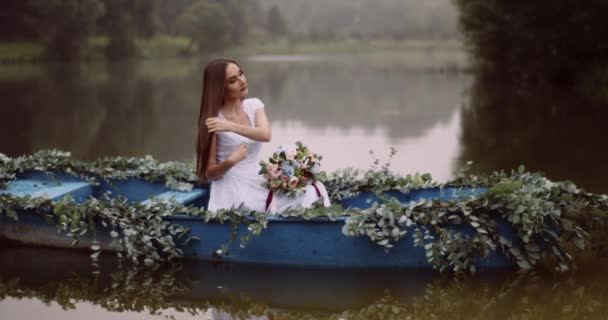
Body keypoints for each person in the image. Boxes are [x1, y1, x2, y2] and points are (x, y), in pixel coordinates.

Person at [196, 58, 330, 213]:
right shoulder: (213, 121)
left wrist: (229, 126)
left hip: (257, 177)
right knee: (300, 196)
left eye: (241, 74)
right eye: (233, 80)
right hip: (234, 185)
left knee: (314, 188)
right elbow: (210, 173)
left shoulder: (254, 105)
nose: (242, 81)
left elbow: (265, 135)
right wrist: (230, 161)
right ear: (221, 88)